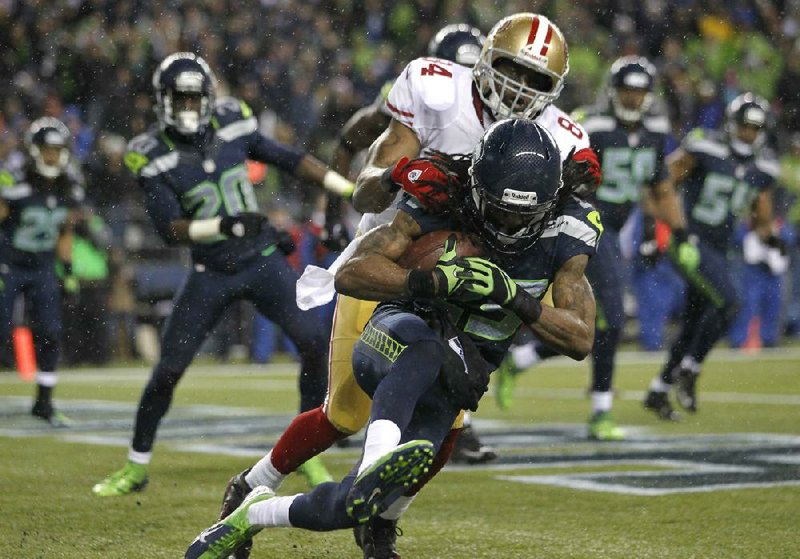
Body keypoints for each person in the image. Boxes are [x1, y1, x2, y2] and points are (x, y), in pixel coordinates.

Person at [220, 13, 600, 559]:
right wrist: (400, 175)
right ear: (486, 60)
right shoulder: (436, 88)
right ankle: (254, 483)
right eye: (513, 71)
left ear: (556, 92)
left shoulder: (559, 138)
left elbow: (567, 228)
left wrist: (576, 185)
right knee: (345, 414)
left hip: (472, 290)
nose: (520, 89)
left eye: (538, 81)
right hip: (395, 266)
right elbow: (365, 191)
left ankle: (382, 521)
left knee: (445, 427)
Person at [91, 52, 354, 497]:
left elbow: (289, 159)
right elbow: (169, 229)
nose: (190, 108)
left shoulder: (232, 125)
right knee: (169, 370)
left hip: (260, 258)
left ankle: (308, 455)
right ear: (164, 102)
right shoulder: (152, 155)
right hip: (210, 270)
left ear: (209, 99)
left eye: (196, 100)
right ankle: (136, 465)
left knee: (314, 340)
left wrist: (346, 188)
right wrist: (224, 225)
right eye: (181, 100)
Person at [323, 22, 496, 467]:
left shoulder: (499, 114)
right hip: (395, 235)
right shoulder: (421, 93)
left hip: (449, 241)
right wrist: (335, 202)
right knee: (346, 404)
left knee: (459, 352)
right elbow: (355, 136)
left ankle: (452, 427)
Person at [492, 56, 673, 441]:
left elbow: (657, 189)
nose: (633, 98)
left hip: (618, 227)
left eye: (640, 92)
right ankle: (601, 411)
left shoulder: (656, 132)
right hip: (584, 222)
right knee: (614, 319)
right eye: (628, 90)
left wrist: (661, 231)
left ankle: (521, 360)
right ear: (614, 90)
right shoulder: (592, 125)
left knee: (601, 326)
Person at [643, 92, 778, 420]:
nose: (748, 134)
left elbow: (761, 216)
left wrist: (772, 239)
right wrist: (655, 228)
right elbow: (659, 182)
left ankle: (659, 390)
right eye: (744, 126)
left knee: (693, 322)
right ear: (731, 125)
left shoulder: (762, 167)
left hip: (717, 248)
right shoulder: (705, 148)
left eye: (754, 129)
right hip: (689, 240)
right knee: (731, 302)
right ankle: (690, 369)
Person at [0, 117, 84, 427]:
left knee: (50, 331)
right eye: (47, 150)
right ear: (34, 151)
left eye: (57, 150)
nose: (52, 156)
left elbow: (65, 231)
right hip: (9, 263)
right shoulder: (15, 180)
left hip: (43, 265)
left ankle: (44, 402)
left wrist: (69, 271)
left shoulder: (68, 184)